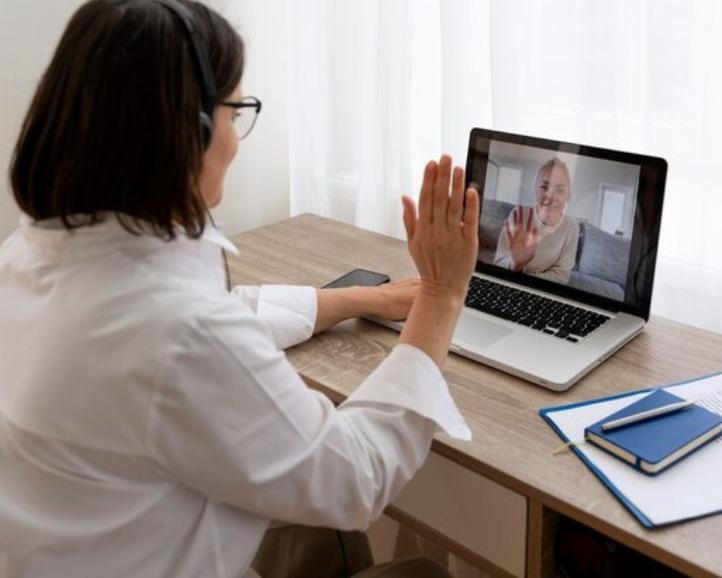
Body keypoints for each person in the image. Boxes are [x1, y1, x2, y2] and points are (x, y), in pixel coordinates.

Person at [0, 1, 480, 577]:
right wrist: (441, 294)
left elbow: (214, 320)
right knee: (423, 572)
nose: (236, 138)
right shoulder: (177, 330)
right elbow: (356, 477)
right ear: (193, 132)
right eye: (237, 112)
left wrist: (361, 299)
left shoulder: (25, 256)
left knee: (318, 534)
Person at [493, 158, 579, 284]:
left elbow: (561, 276)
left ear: (568, 195)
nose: (550, 196)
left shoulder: (571, 227)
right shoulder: (519, 214)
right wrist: (516, 264)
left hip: (542, 288)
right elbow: (498, 262)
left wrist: (525, 277)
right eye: (544, 187)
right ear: (535, 189)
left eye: (560, 190)